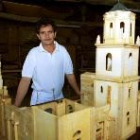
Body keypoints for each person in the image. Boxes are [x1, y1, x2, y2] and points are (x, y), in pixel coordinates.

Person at [14, 17, 81, 107]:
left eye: (50, 32)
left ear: (55, 34)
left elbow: (69, 74)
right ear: (38, 36)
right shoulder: (33, 54)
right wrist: (16, 105)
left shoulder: (62, 51)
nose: (47, 36)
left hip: (59, 98)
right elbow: (25, 80)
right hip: (40, 100)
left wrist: (78, 92)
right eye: (43, 33)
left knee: (59, 120)